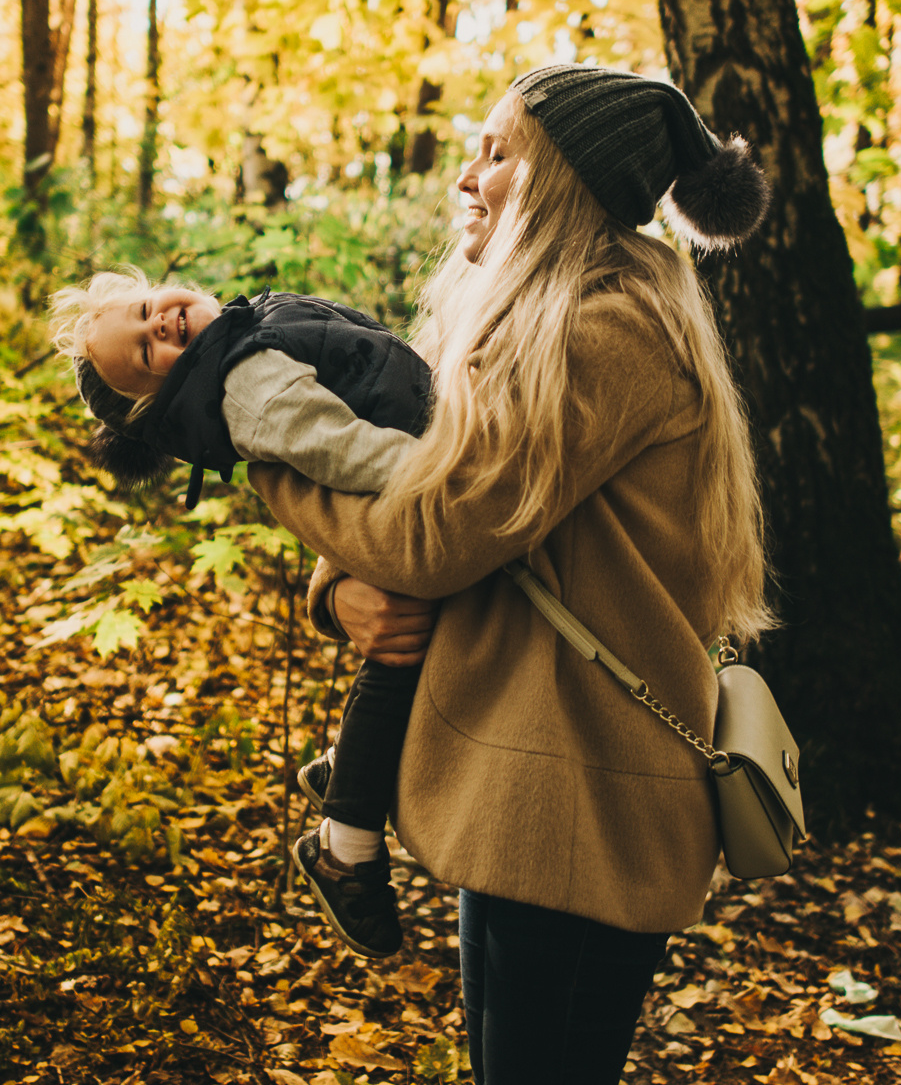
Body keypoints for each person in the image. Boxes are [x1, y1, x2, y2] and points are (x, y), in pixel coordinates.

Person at [246, 63, 774, 1085]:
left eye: (499, 155)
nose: (467, 177)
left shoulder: (603, 333)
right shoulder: (534, 322)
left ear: (565, 184)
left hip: (585, 797)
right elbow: (422, 485)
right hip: (523, 771)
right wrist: (336, 588)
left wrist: (264, 458)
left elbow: (434, 536)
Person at [47, 272, 437, 957]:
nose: (159, 327)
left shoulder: (246, 329)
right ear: (158, 401)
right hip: (415, 483)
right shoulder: (244, 382)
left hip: (416, 455)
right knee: (404, 652)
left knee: (410, 649)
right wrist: (448, 468)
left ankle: (347, 766)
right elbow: (341, 448)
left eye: (146, 309)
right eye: (144, 352)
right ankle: (347, 845)